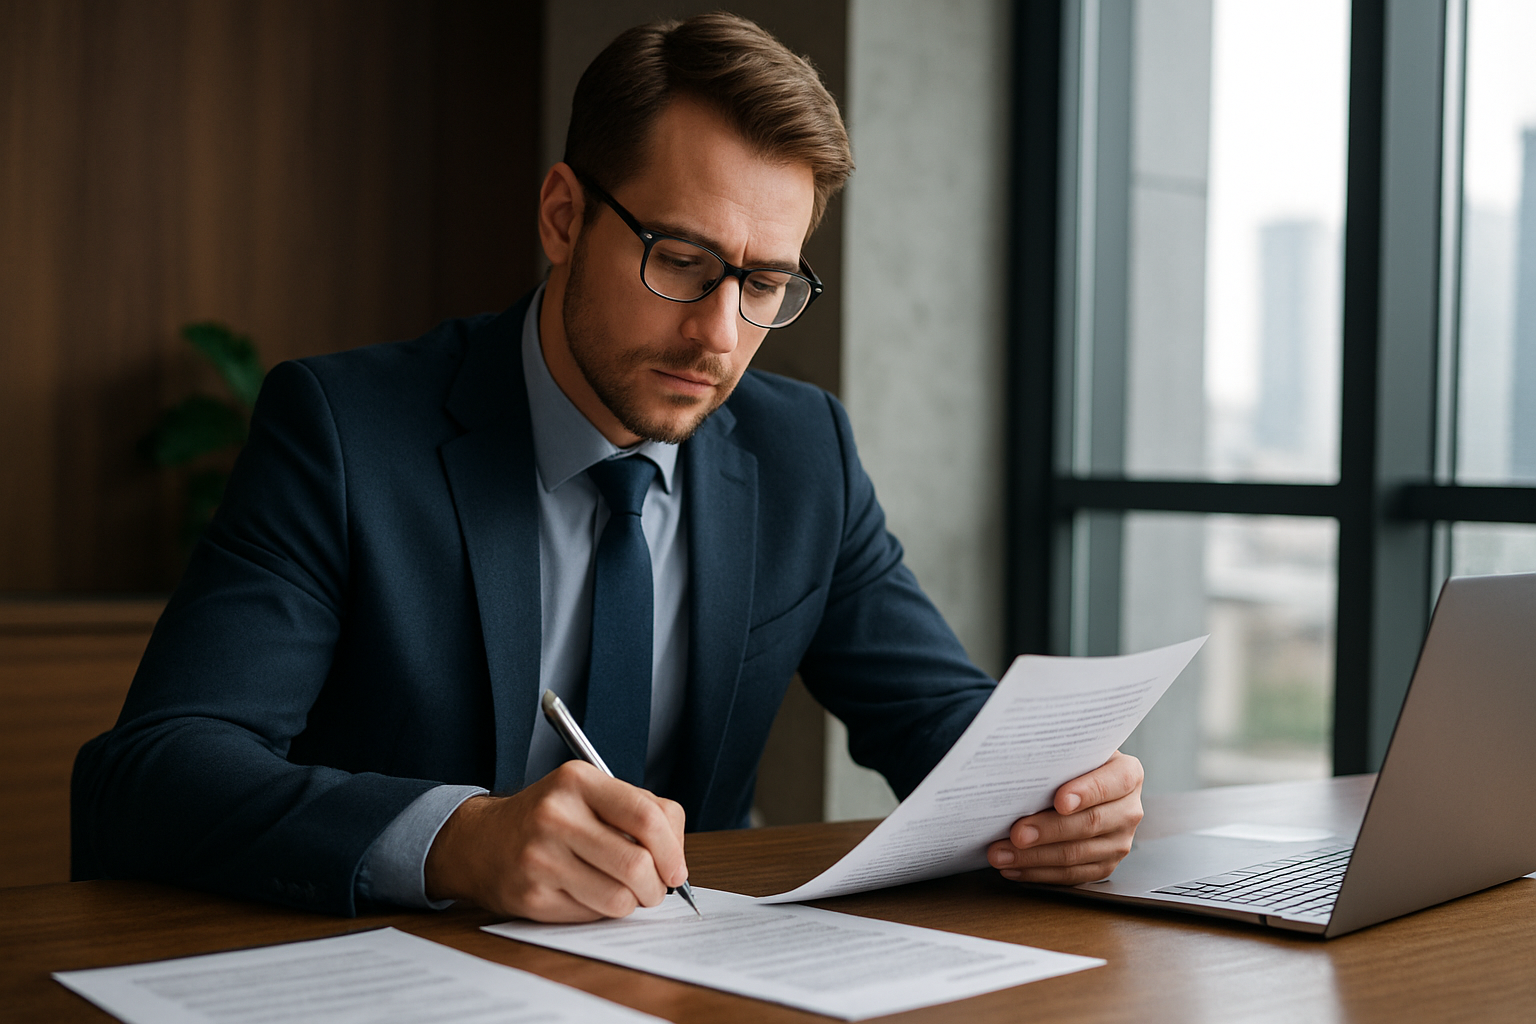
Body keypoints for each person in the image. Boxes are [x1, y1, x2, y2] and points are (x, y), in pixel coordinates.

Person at [72, 13, 1144, 922]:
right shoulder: (347, 432)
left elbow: (941, 725)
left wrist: (1056, 796)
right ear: (562, 216)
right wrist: (457, 840)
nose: (720, 334)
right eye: (680, 259)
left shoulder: (800, 451)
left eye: (764, 282)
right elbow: (151, 774)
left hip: (693, 978)